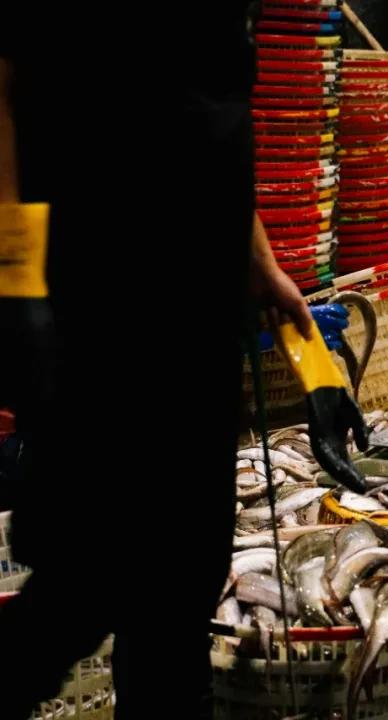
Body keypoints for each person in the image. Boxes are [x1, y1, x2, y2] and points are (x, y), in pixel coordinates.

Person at [0, 4, 318, 717]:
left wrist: (257, 260)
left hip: (198, 302)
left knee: (185, 571)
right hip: (90, 290)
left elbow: (210, 110)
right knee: (83, 576)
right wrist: (14, 276)